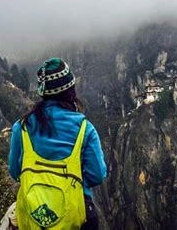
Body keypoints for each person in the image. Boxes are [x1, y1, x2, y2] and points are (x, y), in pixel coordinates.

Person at [9, 58, 107, 229]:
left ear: (43, 92)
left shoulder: (22, 127)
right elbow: (97, 174)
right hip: (75, 212)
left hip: (32, 213)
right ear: (70, 90)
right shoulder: (85, 129)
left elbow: (14, 170)